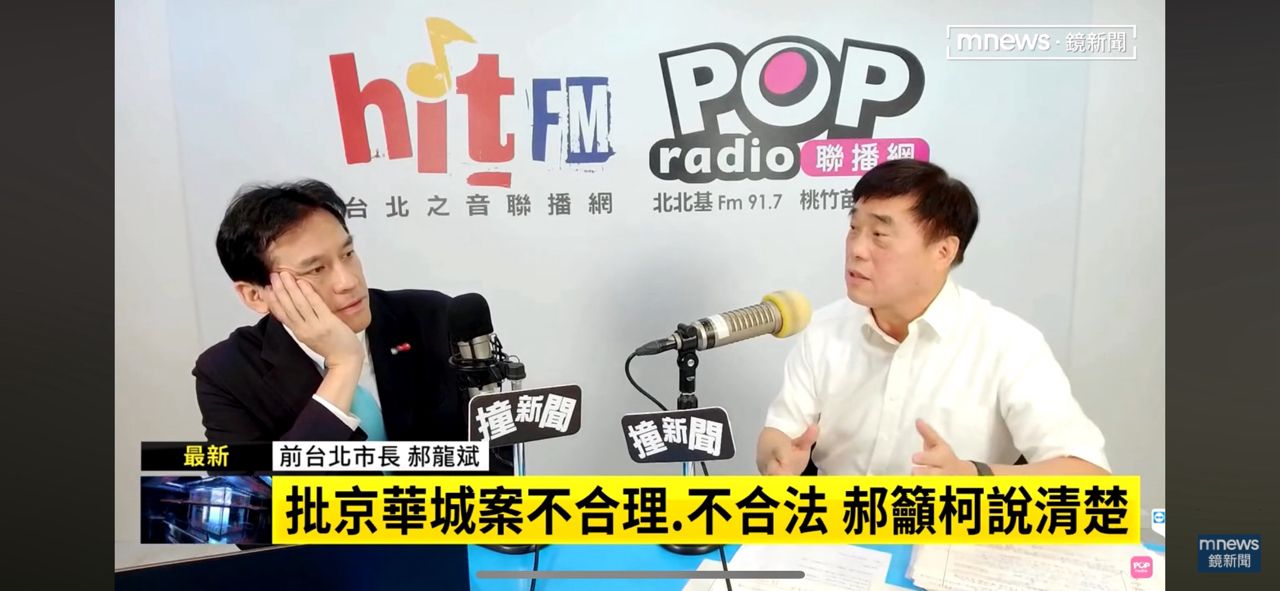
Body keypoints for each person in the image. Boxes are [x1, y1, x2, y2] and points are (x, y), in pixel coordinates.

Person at [756, 159, 1110, 477]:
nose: (857, 249)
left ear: (943, 251)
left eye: (879, 235)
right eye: (854, 227)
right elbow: (780, 433)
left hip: (951, 525)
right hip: (838, 524)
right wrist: (777, 457)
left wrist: (974, 477)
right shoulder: (824, 329)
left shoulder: (1007, 343)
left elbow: (1089, 474)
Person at [192, 180, 473, 448]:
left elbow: (493, 451)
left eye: (347, 254)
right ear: (255, 295)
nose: (348, 281)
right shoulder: (227, 373)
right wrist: (344, 366)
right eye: (316, 269)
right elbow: (261, 483)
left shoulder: (434, 317)